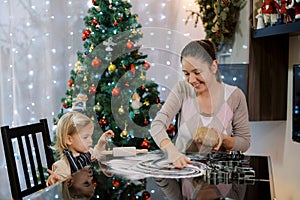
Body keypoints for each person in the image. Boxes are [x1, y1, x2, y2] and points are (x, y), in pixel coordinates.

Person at [150, 39, 251, 169]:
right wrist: (172, 152)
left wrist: (223, 139)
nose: (191, 80)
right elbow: (157, 125)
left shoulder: (235, 96)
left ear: (213, 67)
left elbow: (244, 142)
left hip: (218, 178)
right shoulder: (183, 90)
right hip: (184, 173)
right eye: (186, 74)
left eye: (197, 72)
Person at [46, 111, 114, 185]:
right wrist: (52, 181)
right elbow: (56, 183)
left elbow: (97, 153)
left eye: (90, 136)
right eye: (85, 137)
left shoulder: (86, 153)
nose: (90, 141)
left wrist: (101, 142)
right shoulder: (63, 166)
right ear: (69, 140)